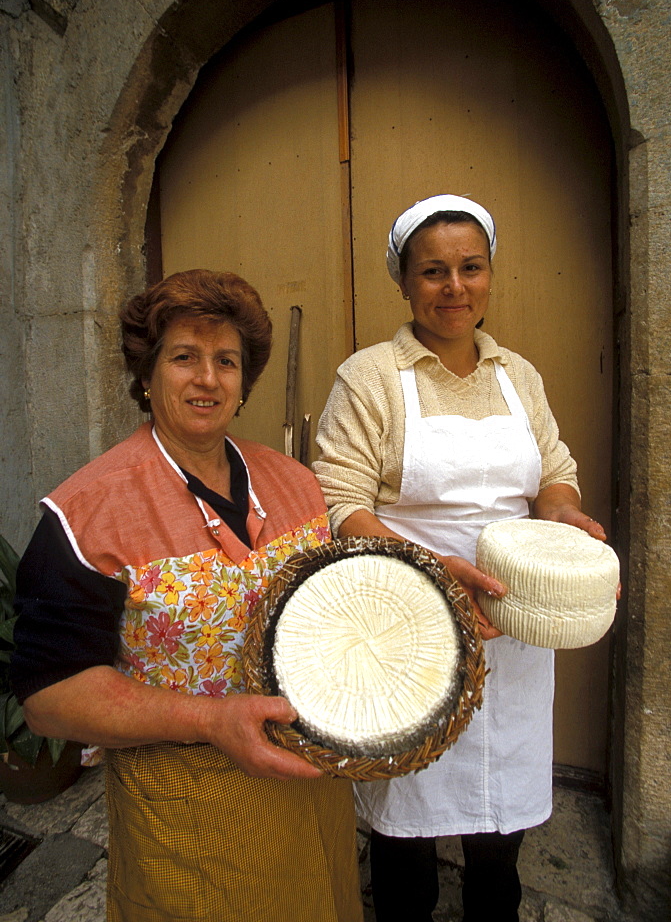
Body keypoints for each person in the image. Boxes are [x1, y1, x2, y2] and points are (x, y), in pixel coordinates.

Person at [11, 269, 363, 922]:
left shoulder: (293, 483)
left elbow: (336, 613)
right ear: (146, 376)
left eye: (225, 361)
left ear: (243, 381)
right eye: (184, 357)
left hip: (309, 794)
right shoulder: (88, 513)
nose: (207, 378)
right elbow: (49, 699)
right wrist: (208, 720)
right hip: (187, 809)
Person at [314, 195, 609, 922]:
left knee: (500, 806)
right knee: (404, 804)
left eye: (469, 268)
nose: (454, 287)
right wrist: (432, 572)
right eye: (433, 272)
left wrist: (563, 512)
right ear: (404, 283)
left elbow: (553, 468)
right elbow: (339, 499)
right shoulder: (371, 375)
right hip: (406, 619)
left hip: (508, 623)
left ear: (489, 274)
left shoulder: (518, 375)